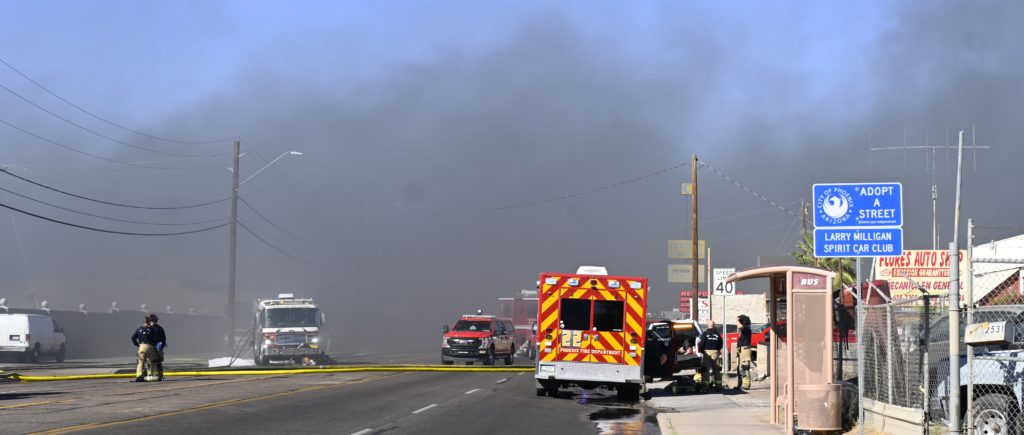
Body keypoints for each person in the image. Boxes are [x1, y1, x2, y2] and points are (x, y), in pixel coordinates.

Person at [698, 319, 724, 391]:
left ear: (708, 326)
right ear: (714, 326)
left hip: (707, 353)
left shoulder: (704, 334)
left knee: (705, 370)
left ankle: (705, 387)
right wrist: (717, 350)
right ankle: (718, 386)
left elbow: (701, 344)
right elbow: (720, 344)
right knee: (717, 370)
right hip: (716, 353)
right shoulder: (717, 334)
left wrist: (702, 351)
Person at [130, 317, 156, 382]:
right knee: (150, 362)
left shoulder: (139, 329)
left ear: (144, 322)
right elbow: (155, 339)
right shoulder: (152, 329)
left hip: (141, 346)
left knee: (140, 362)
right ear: (149, 322)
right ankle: (150, 376)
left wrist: (137, 344)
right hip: (149, 346)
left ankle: (139, 376)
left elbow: (132, 337)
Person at [735, 314, 753, 390]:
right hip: (741, 350)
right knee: (739, 369)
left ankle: (746, 385)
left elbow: (740, 326)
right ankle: (740, 384)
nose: (736, 323)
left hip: (745, 349)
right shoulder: (743, 330)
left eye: (738, 321)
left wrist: (738, 320)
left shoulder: (746, 328)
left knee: (744, 368)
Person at [148, 314, 167, 381]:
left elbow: (163, 338)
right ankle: (152, 375)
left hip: (157, 347)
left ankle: (160, 375)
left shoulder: (159, 328)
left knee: (158, 362)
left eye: (154, 321)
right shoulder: (148, 328)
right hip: (151, 347)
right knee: (151, 362)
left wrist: (161, 346)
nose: (154, 322)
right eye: (152, 321)